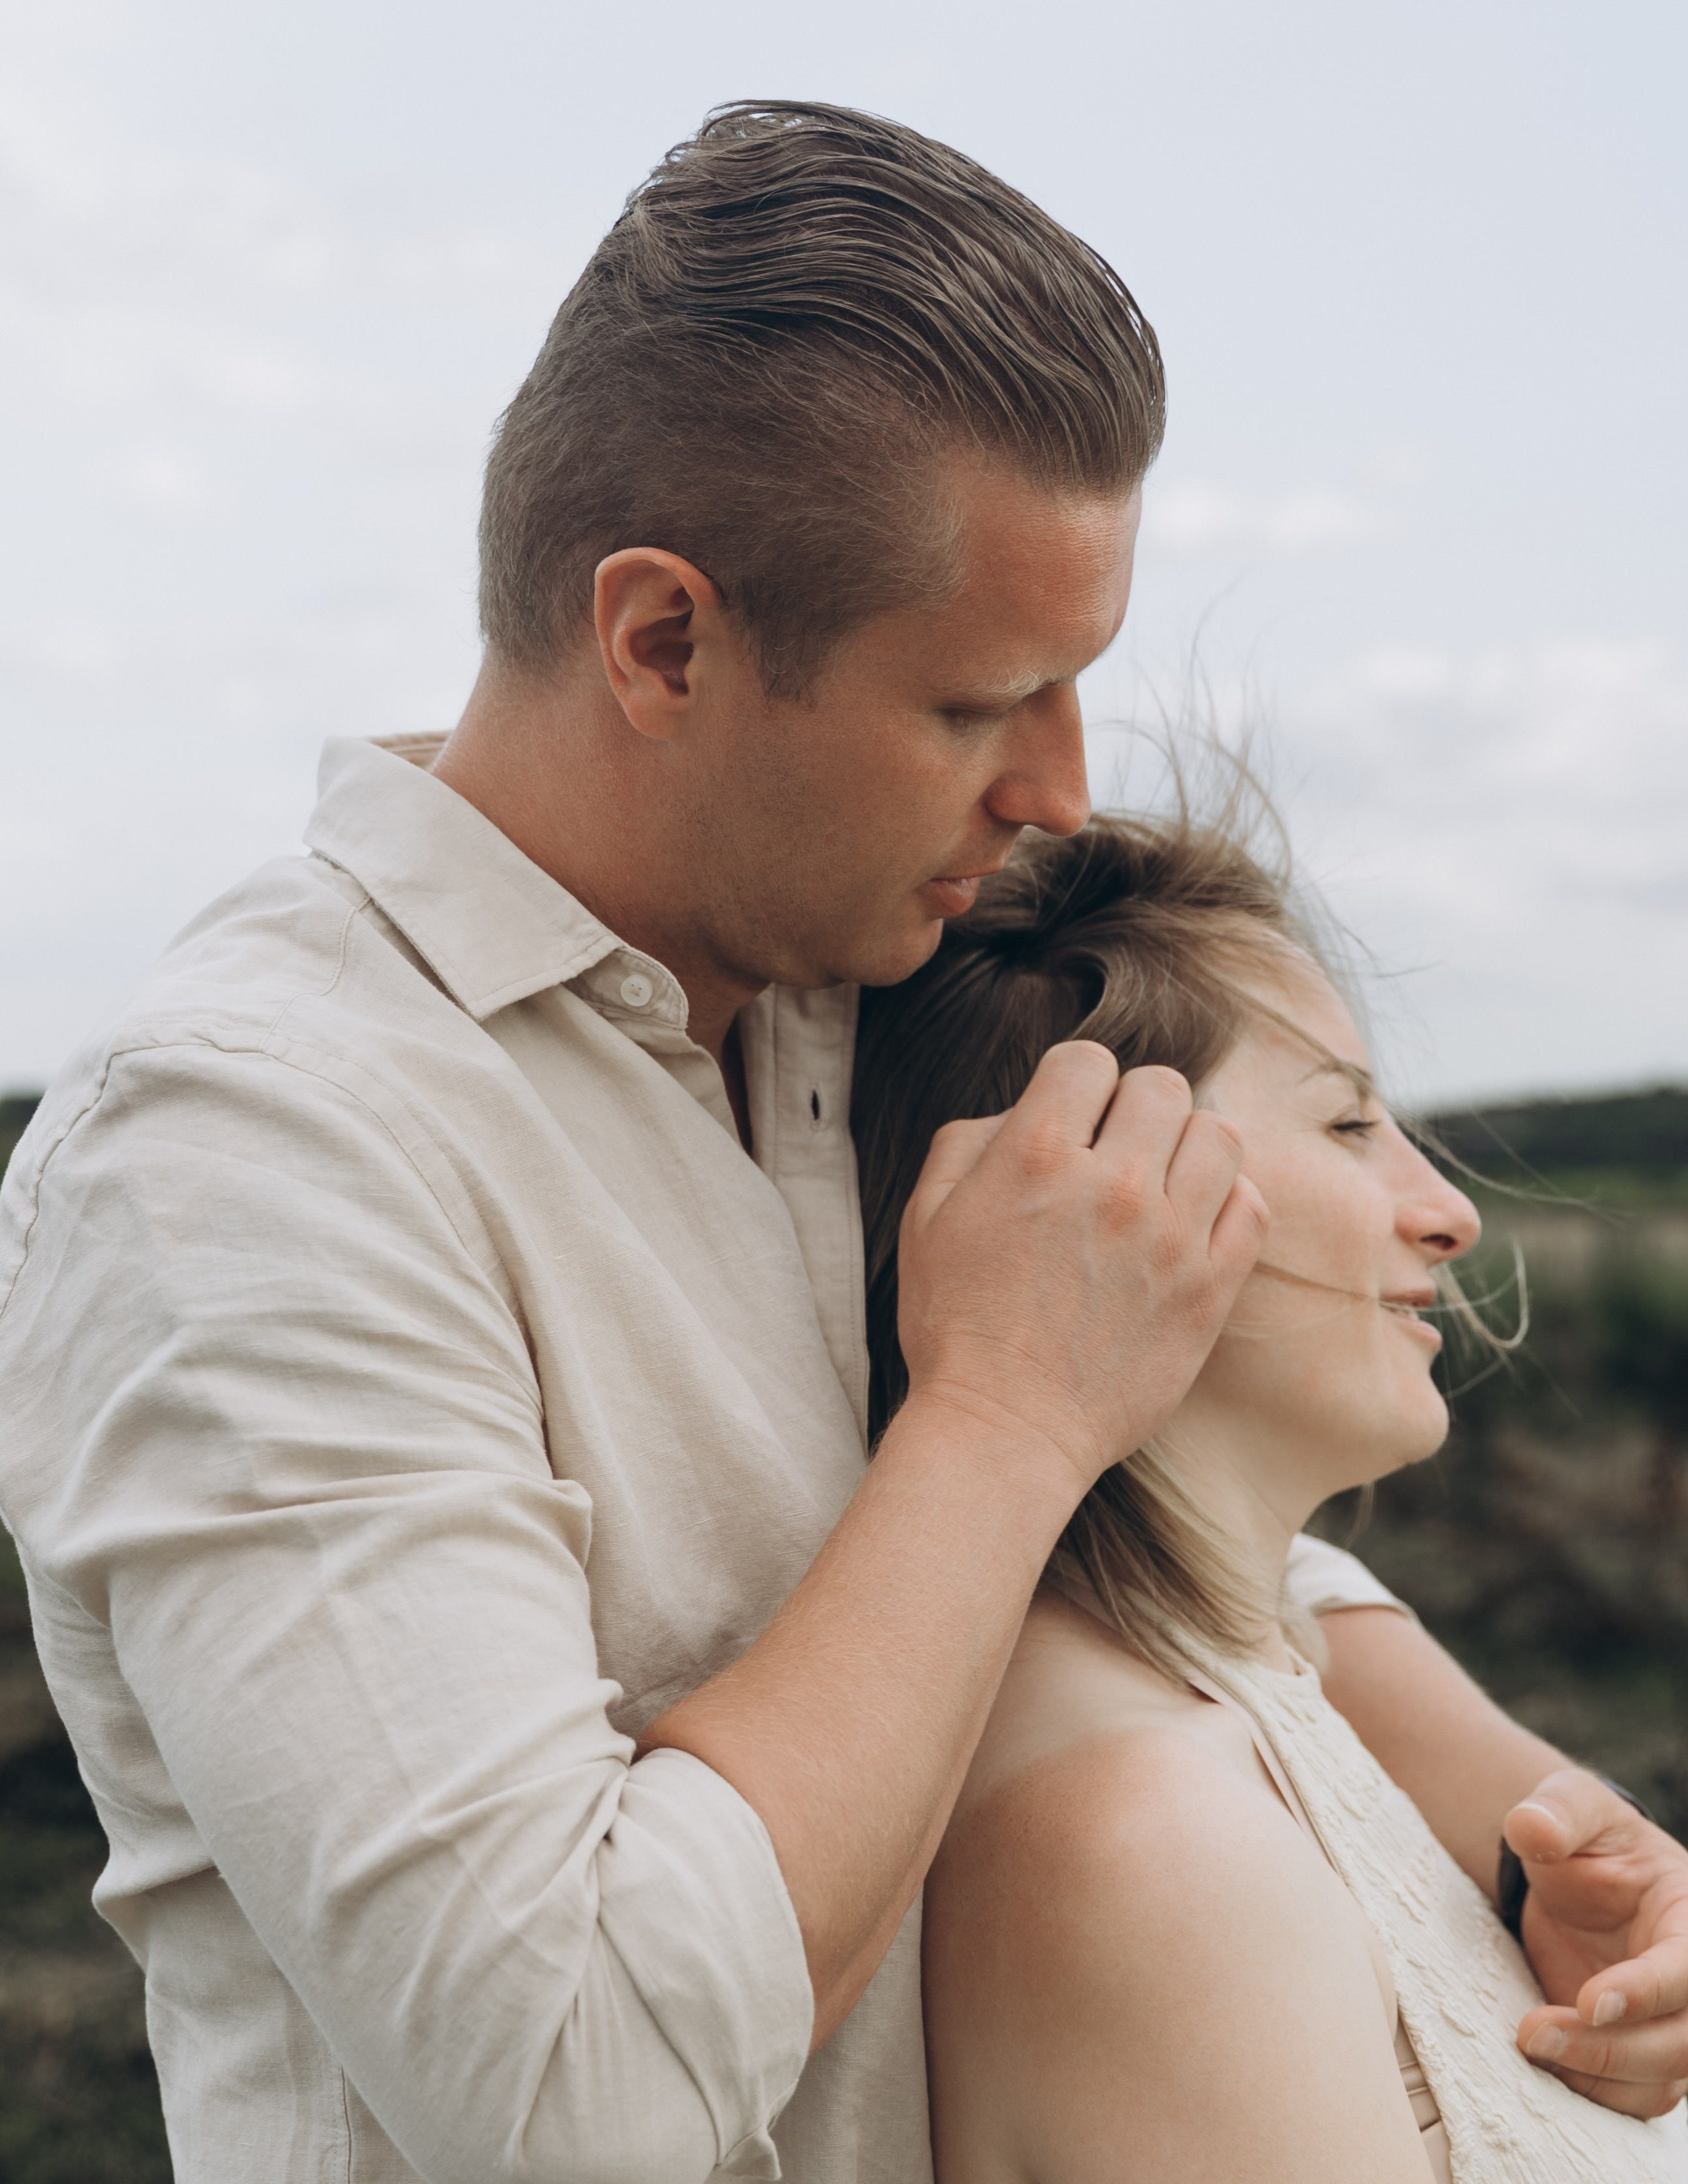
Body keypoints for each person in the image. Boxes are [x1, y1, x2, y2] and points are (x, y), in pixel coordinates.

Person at [0, 100, 1683, 2184]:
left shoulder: (844, 965)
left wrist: (1488, 1796)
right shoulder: (247, 1148)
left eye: (1079, 686)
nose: (1058, 790)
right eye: (982, 703)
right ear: (665, 641)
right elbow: (569, 2094)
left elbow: (1132, 1479)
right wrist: (1001, 1418)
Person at [852, 806, 1688, 2181]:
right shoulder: (1155, 1851)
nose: (1446, 1210)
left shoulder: (1260, 1679)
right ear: (1089, 1192)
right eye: (1348, 1120)